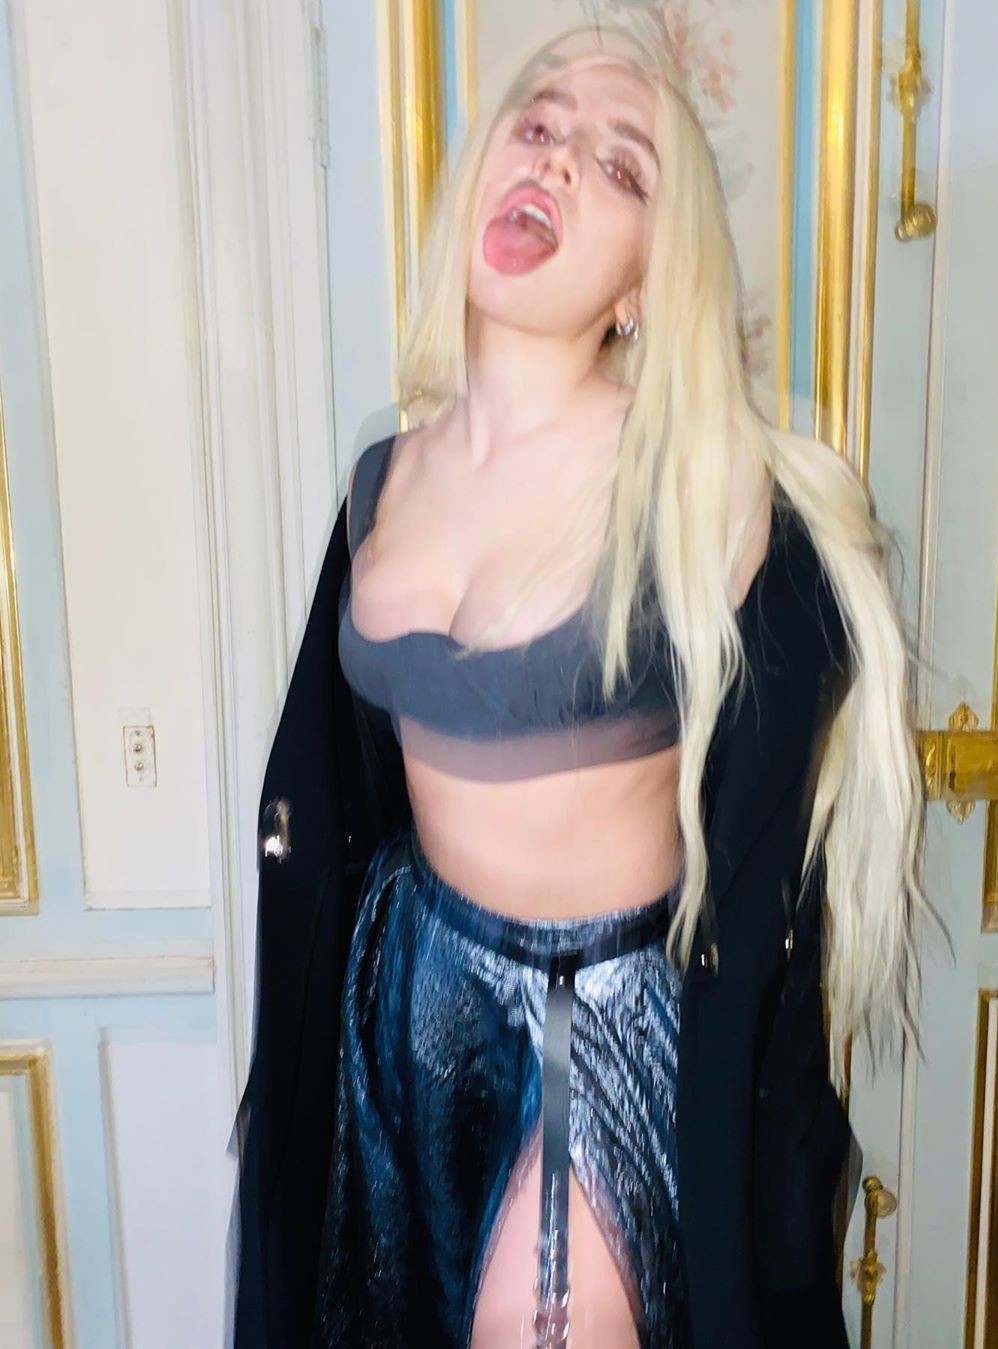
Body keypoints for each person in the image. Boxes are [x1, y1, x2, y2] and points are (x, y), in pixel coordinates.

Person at [228, 21, 941, 1349]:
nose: (555, 162)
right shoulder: (383, 478)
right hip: (409, 993)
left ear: (646, 284)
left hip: (593, 1030)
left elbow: (781, 759)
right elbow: (334, 792)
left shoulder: (704, 489)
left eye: (620, 167)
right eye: (541, 124)